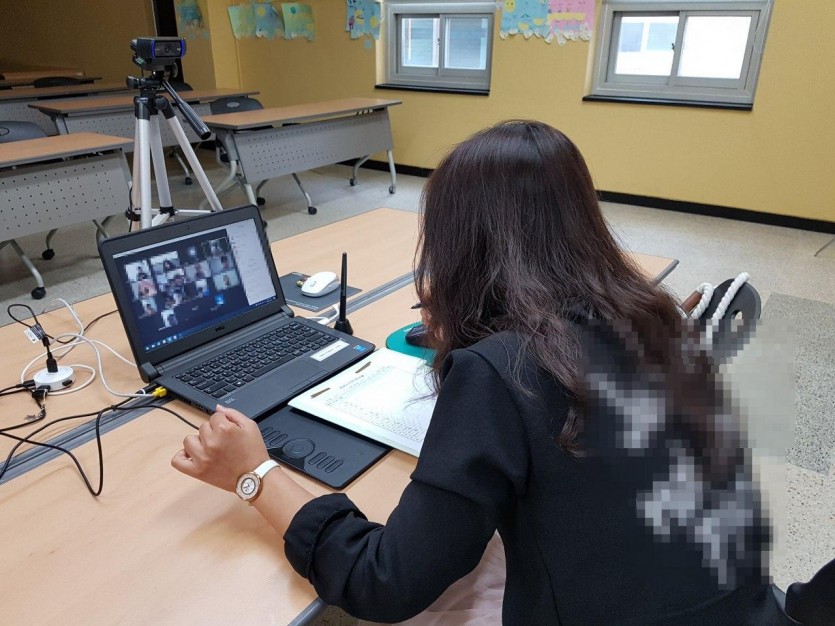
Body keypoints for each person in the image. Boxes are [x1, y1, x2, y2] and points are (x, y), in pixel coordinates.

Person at [171, 121, 788, 624]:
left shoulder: (501, 371)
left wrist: (255, 474)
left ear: (461, 245)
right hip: (739, 604)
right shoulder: (653, 314)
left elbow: (385, 583)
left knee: (437, 590)